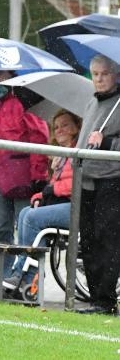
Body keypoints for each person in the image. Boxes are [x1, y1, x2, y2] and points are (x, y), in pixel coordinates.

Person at [0, 69, 49, 282]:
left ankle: (28, 280)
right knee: (1, 231)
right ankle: (5, 281)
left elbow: (39, 138)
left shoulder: (25, 99)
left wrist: (38, 175)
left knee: (26, 228)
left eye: (0, 73)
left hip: (23, 177)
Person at [2, 110, 82, 293]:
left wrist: (51, 190)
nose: (60, 130)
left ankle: (28, 277)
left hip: (77, 207)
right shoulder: (60, 155)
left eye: (65, 125)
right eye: (57, 127)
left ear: (76, 128)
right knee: (24, 213)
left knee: (33, 218)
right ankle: (24, 271)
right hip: (62, 203)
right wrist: (40, 196)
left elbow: (76, 184)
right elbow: (52, 187)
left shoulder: (79, 151)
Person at [74, 54, 120, 315]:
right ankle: (95, 297)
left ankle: (105, 299)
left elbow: (105, 141)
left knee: (107, 239)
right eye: (95, 74)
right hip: (86, 176)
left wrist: (106, 142)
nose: (99, 79)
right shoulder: (92, 102)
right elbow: (85, 137)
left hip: (112, 179)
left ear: (116, 74)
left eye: (104, 73)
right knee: (88, 239)